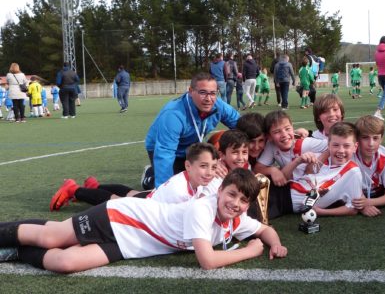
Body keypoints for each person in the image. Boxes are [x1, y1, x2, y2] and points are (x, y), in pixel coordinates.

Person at [0, 168, 288, 273]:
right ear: (220, 191)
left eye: (242, 201)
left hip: (131, 245)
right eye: (231, 195)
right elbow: (207, 262)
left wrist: (274, 244)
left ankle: (14, 251)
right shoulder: (203, 209)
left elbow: (264, 228)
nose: (235, 204)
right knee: (50, 237)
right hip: (120, 216)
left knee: (65, 263)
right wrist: (250, 251)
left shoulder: (237, 220)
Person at [49, 142, 220, 210]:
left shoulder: (191, 178)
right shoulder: (180, 191)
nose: (210, 171)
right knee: (117, 202)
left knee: (132, 193)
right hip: (149, 208)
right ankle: (75, 190)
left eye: (213, 167)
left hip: (158, 196)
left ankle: (94, 187)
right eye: (204, 166)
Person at [142, 72, 240, 190]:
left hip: (193, 146)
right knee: (179, 186)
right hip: (165, 148)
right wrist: (164, 191)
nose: (208, 99)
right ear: (190, 91)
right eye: (202, 92)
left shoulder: (219, 106)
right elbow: (165, 152)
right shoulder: (173, 114)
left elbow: (241, 125)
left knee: (206, 178)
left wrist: (222, 157)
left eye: (213, 93)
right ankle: (150, 177)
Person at [295, 122, 363, 216]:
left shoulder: (353, 172)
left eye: (346, 146)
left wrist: (321, 212)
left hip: (289, 202)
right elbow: (308, 173)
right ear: (328, 145)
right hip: (288, 190)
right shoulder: (323, 158)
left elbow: (353, 208)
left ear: (355, 147)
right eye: (335, 145)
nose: (341, 150)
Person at [255, 110, 328, 186]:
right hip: (296, 186)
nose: (284, 134)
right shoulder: (271, 146)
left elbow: (333, 144)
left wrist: (315, 164)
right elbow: (257, 168)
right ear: (269, 137)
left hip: (320, 183)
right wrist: (272, 170)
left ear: (292, 128)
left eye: (287, 129)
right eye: (277, 132)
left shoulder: (305, 144)